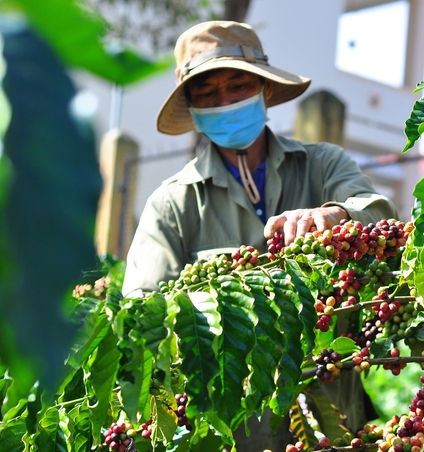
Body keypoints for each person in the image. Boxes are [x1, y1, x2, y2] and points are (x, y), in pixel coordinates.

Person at [122, 20, 397, 451]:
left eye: (238, 85)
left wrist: (336, 215)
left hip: (334, 426)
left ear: (265, 90)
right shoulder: (172, 205)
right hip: (236, 436)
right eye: (208, 93)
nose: (226, 101)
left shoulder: (322, 165)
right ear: (192, 108)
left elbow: (382, 216)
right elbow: (144, 316)